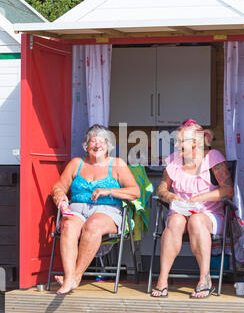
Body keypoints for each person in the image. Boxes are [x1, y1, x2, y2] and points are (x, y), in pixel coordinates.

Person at [51, 124, 140, 295]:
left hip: (107, 211)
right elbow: (59, 186)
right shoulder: (76, 163)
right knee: (68, 225)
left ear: (108, 146)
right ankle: (69, 277)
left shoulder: (117, 164)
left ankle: (75, 277)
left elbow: (135, 192)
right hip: (77, 209)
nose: (97, 145)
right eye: (93, 141)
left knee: (93, 224)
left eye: (102, 142)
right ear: (86, 145)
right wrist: (59, 194)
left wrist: (109, 191)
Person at [151, 119, 234, 299]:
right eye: (177, 141)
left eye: (181, 141)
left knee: (196, 220)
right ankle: (162, 279)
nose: (177, 145)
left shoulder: (213, 158)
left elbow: (228, 190)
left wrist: (202, 197)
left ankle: (205, 279)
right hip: (182, 211)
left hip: (209, 214)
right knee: (174, 221)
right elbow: (161, 189)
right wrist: (171, 196)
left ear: (195, 142)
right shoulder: (173, 161)